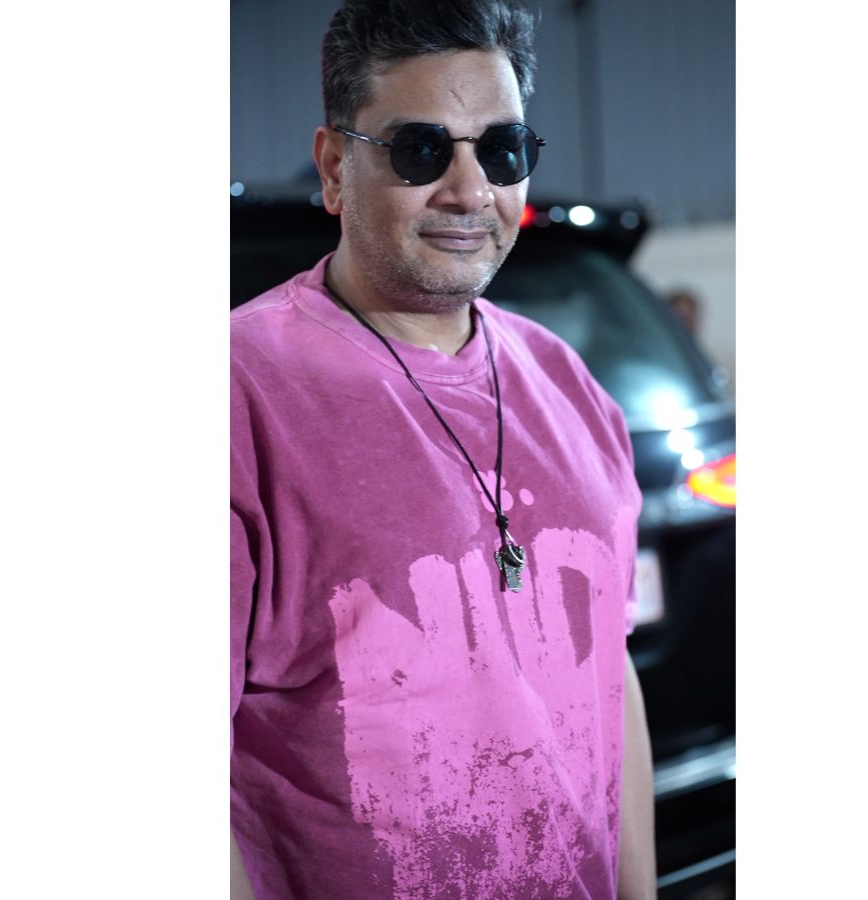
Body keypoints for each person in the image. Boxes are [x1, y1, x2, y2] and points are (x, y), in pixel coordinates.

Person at [230, 1, 655, 897]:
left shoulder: (568, 384)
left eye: (501, 150)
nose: (469, 191)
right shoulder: (241, 392)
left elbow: (608, 680)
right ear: (335, 168)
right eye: (421, 150)